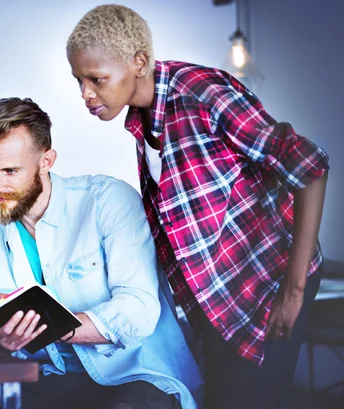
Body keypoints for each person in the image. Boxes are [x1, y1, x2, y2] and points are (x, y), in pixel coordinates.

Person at [65, 5, 330, 409]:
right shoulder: (143, 120)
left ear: (138, 62)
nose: (85, 93)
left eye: (95, 79)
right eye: (79, 80)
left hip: (268, 282)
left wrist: (292, 292)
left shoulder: (201, 92)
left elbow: (308, 167)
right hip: (218, 298)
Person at [0, 97, 202, 409]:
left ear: (46, 161)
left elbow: (139, 309)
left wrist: (54, 327)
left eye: (10, 171)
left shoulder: (107, 200)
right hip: (52, 379)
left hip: (136, 375)